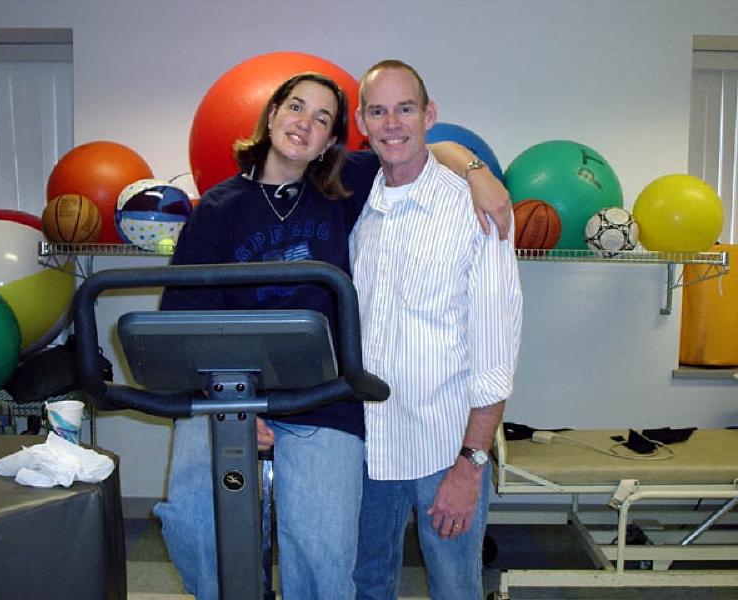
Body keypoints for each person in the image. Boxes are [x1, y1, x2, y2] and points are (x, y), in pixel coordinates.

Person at [154, 71, 511, 600]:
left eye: (323, 119)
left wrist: (480, 173)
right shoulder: (216, 209)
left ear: (333, 141)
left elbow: (422, 143)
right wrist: (228, 402)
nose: (305, 123)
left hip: (323, 400)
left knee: (321, 551)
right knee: (192, 520)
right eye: (296, 107)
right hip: (231, 391)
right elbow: (183, 322)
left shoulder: (346, 189)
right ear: (271, 114)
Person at [349, 60, 523, 600]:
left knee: (455, 589)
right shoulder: (353, 206)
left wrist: (470, 465)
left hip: (444, 449)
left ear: (430, 115)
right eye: (378, 110)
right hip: (367, 448)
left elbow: (496, 353)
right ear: (361, 120)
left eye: (405, 108)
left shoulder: (477, 210)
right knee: (365, 585)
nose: (392, 123)